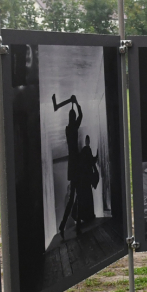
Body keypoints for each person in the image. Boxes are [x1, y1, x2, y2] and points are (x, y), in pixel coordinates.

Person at [58, 98, 83, 240]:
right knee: (77, 195)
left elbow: (77, 117)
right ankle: (78, 223)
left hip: (71, 166)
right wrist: (77, 102)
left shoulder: (68, 129)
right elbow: (81, 115)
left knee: (72, 197)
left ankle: (63, 224)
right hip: (77, 166)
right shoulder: (74, 128)